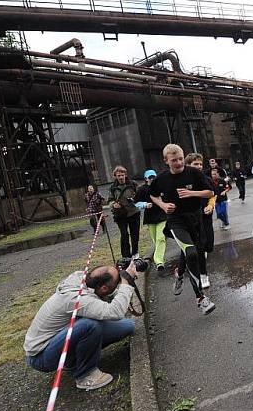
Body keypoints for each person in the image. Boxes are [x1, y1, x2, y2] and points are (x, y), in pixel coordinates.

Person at [24, 262, 139, 391]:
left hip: (60, 337)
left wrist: (124, 280)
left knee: (127, 326)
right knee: (90, 326)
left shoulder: (83, 280)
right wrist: (125, 283)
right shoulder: (76, 298)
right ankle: (85, 375)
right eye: (117, 281)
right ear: (104, 288)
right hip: (41, 355)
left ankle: (74, 359)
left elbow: (102, 301)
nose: (119, 281)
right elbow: (115, 312)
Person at [149, 144, 217, 315]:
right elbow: (152, 194)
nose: (179, 163)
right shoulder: (161, 178)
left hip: (195, 219)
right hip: (175, 221)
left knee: (189, 251)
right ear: (166, 161)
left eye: (180, 159)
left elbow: (210, 192)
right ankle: (200, 298)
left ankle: (179, 274)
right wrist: (163, 205)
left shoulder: (193, 173)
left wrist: (192, 194)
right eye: (174, 160)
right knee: (191, 253)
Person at [184, 153, 213, 290]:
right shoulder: (183, 180)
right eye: (195, 164)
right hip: (190, 218)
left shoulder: (205, 178)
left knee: (208, 243)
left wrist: (210, 205)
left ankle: (201, 254)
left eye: (200, 164)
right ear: (188, 165)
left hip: (205, 214)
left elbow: (213, 194)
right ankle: (202, 275)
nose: (199, 166)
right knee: (196, 246)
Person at [135, 170, 168, 273]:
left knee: (161, 238)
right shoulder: (142, 190)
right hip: (150, 218)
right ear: (146, 179)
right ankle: (159, 257)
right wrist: (144, 204)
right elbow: (135, 203)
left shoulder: (161, 186)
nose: (152, 179)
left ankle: (159, 262)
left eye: (153, 177)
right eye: (150, 177)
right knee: (155, 240)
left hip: (162, 216)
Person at [108, 166, 140, 259]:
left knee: (135, 234)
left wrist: (134, 199)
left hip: (134, 212)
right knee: (124, 234)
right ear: (115, 176)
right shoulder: (113, 187)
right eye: (119, 175)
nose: (121, 177)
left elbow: (139, 195)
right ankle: (126, 255)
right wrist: (113, 204)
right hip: (121, 214)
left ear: (125, 175)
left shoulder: (133, 184)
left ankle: (135, 253)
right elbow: (109, 200)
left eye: (122, 175)